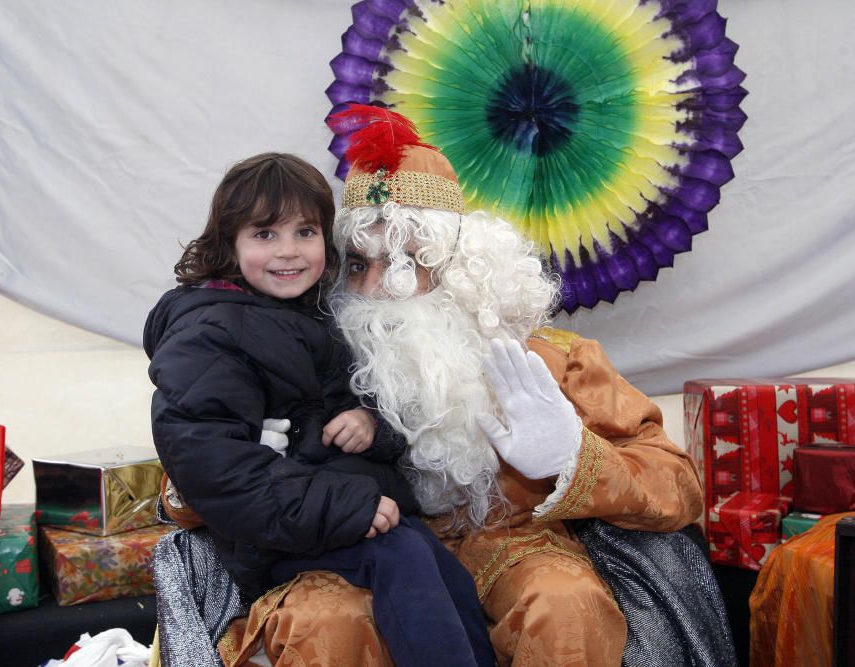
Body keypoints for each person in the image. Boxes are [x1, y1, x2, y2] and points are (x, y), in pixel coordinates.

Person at [213, 107, 706, 666]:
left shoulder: (552, 356)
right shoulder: (300, 354)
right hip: (356, 547)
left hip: (512, 542)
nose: (374, 288)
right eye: (356, 264)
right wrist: (247, 456)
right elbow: (198, 475)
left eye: (403, 261)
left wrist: (573, 458)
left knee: (567, 607)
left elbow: (679, 488)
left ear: (461, 265)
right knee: (323, 622)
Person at [144, 152, 496, 667]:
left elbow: (340, 408)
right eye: (265, 234)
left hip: (324, 510)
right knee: (406, 562)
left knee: (442, 571)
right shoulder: (209, 332)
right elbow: (214, 467)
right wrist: (345, 506)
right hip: (274, 532)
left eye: (305, 232)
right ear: (229, 243)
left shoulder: (303, 315)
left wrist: (369, 425)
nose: (289, 252)